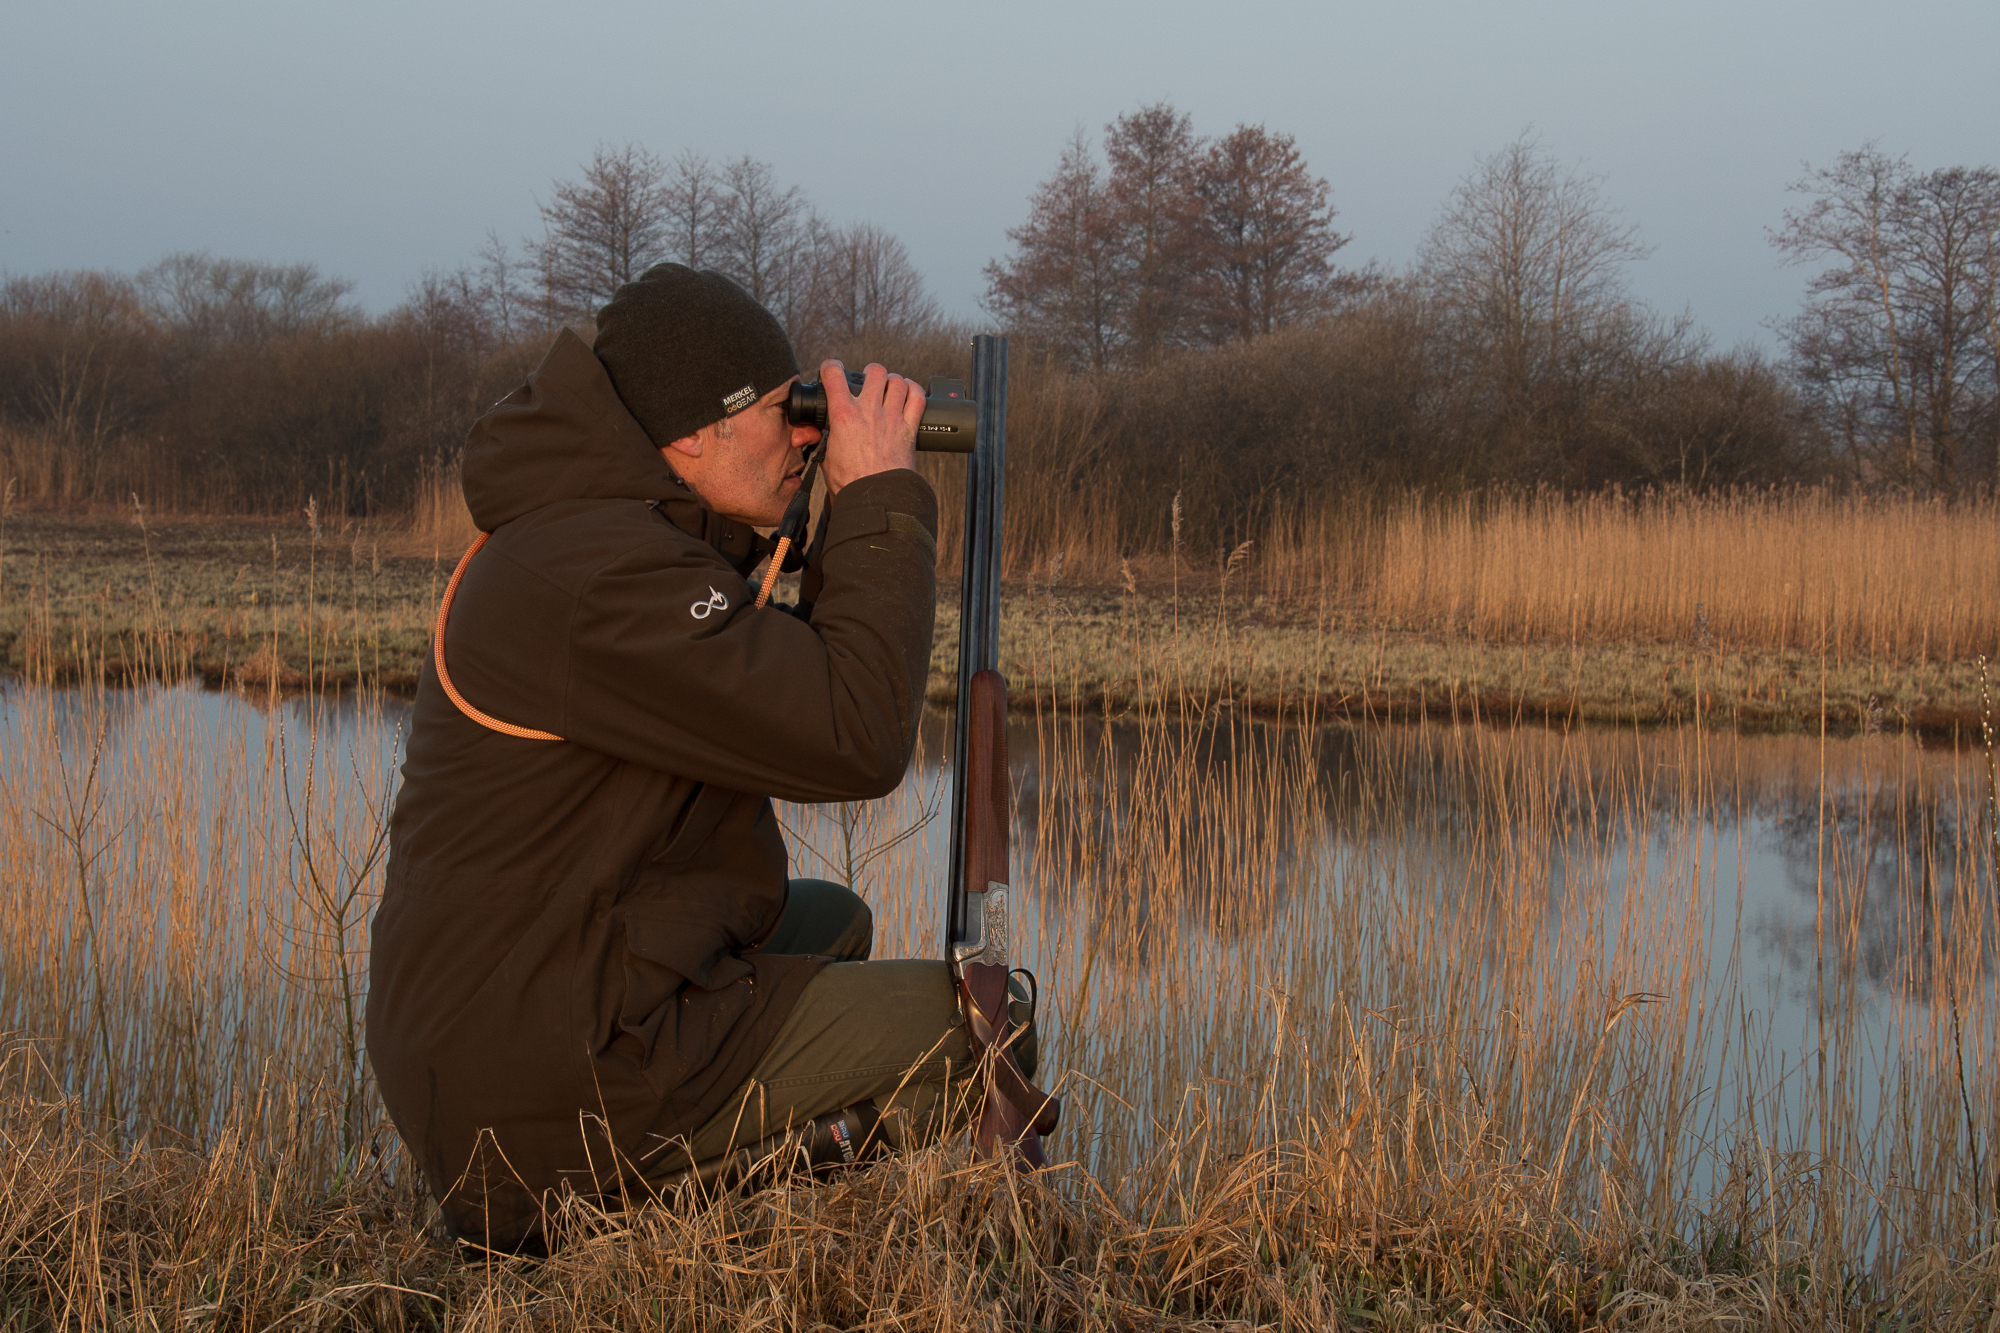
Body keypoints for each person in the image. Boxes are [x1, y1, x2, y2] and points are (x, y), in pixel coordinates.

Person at [366, 264, 992, 1250]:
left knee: (826, 921)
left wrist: (814, 514)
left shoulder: (593, 539)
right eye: (782, 411)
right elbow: (850, 736)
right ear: (688, 434)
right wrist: (879, 497)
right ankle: (626, 1220)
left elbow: (780, 686)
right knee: (981, 1041)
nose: (803, 434)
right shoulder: (601, 575)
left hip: (520, 1025)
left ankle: (676, 1176)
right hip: (540, 1084)